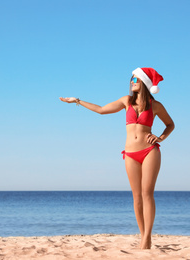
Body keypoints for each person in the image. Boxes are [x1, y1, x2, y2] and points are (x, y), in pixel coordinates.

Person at [59, 67, 175, 249]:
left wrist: (160, 137)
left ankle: (147, 238)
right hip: (130, 154)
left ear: (143, 83)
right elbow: (101, 109)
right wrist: (78, 101)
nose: (132, 82)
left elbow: (170, 124)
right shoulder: (126, 101)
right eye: (131, 79)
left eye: (135, 79)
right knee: (136, 197)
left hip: (149, 151)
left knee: (147, 194)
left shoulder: (156, 106)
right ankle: (142, 234)